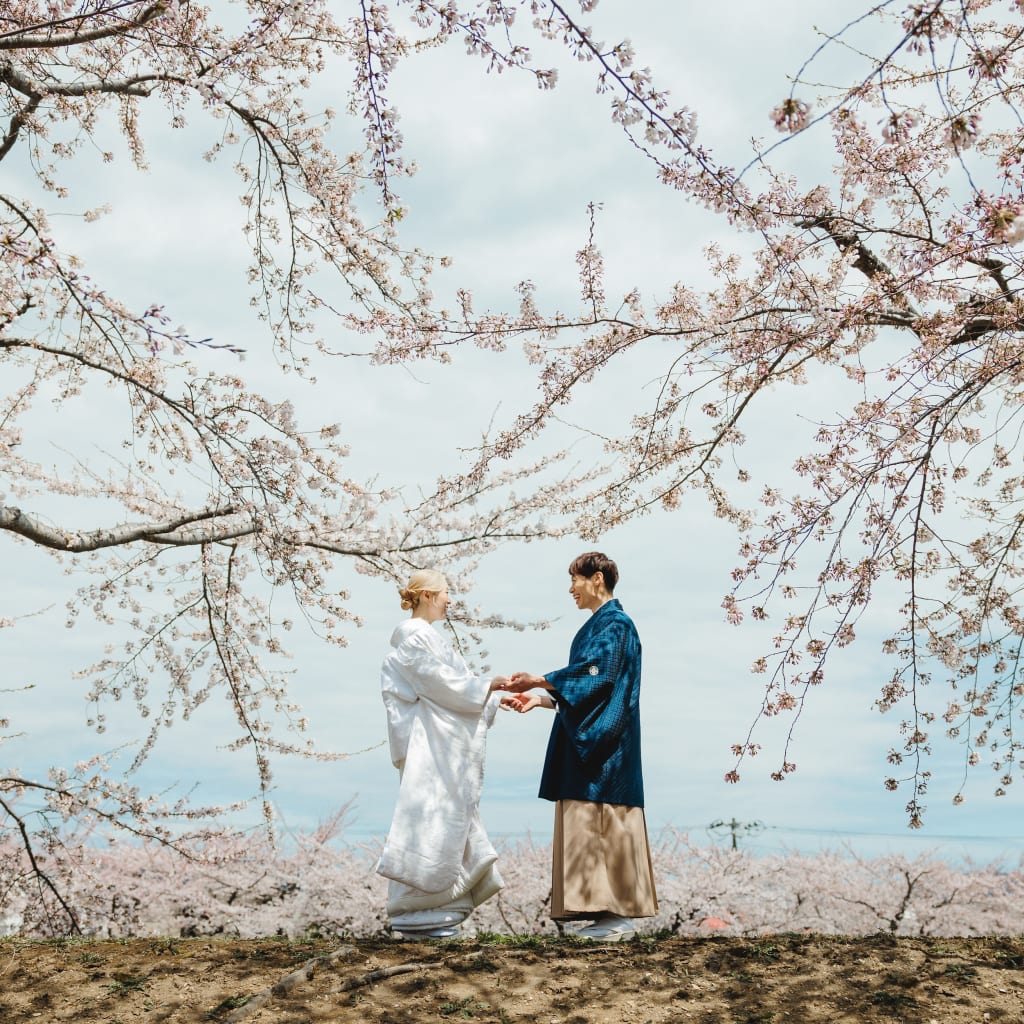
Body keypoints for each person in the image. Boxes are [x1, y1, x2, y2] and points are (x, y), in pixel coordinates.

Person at [500, 551, 657, 941]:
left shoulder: (617, 625)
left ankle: (618, 915)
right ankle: (605, 914)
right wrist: (542, 699)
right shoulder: (600, 627)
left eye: (574, 579)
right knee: (591, 822)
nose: (570, 589)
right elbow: (589, 691)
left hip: (607, 749)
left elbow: (600, 676)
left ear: (597, 578)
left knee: (605, 819)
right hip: (591, 739)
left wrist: (541, 679)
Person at [377, 568, 513, 939]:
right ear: (425, 596)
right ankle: (423, 905)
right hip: (429, 743)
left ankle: (435, 905)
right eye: (444, 593)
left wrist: (495, 697)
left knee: (440, 818)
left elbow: (455, 688)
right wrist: (488, 685)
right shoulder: (415, 640)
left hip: (436, 741)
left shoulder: (425, 640)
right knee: (432, 819)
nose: (450, 600)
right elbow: (442, 685)